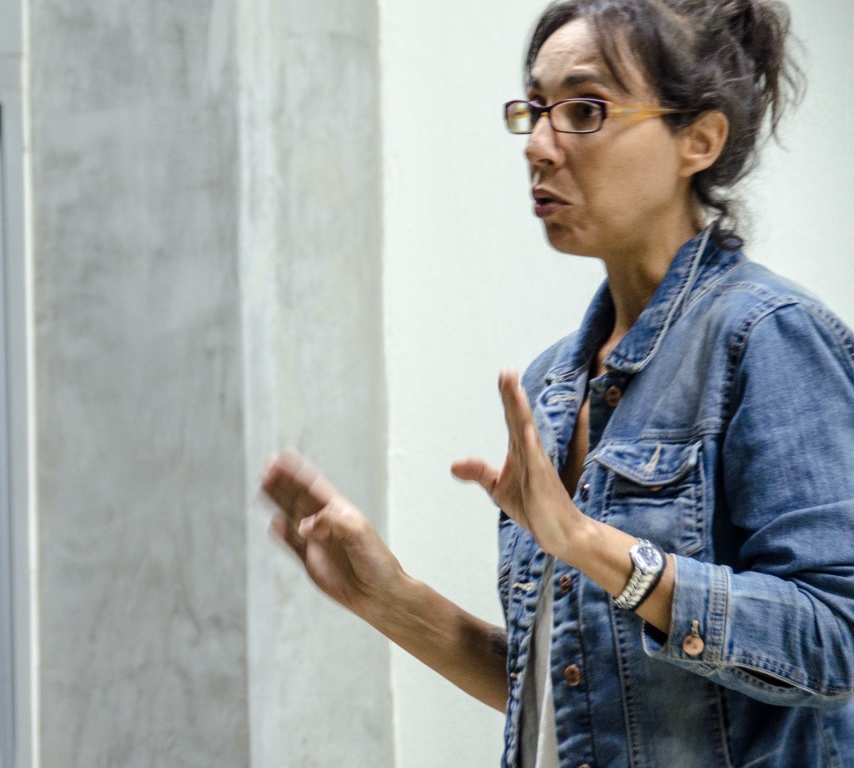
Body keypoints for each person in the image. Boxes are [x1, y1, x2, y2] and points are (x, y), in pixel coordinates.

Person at [260, 0, 854, 766]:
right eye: (536, 110)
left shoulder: (767, 336)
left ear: (698, 140)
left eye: (584, 110)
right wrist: (393, 600)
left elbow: (835, 641)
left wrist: (588, 544)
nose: (539, 147)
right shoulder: (554, 383)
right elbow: (570, 696)